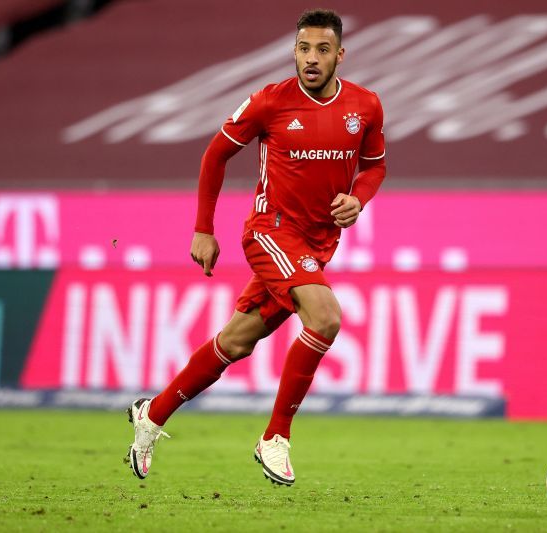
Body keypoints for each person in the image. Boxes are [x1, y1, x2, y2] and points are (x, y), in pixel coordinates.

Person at [125, 8, 386, 486]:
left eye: (322, 49)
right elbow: (215, 154)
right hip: (270, 231)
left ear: (340, 55)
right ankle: (275, 437)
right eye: (304, 48)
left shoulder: (365, 106)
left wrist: (359, 198)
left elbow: (375, 167)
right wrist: (203, 228)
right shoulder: (269, 102)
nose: (311, 58)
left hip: (317, 243)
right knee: (325, 317)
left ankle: (153, 414)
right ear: (294, 51)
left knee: (236, 341)